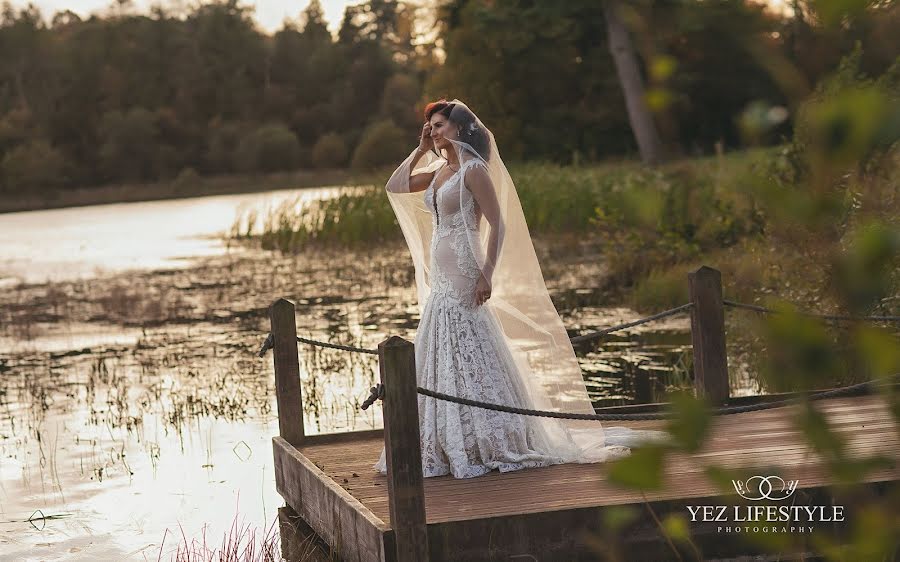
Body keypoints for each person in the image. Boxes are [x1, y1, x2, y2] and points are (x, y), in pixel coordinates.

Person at [374, 99, 667, 479]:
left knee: (471, 342)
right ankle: (454, 436)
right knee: (443, 345)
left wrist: (488, 275)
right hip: (442, 278)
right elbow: (394, 186)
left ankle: (495, 436)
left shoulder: (474, 171)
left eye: (441, 124)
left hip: (466, 269)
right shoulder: (439, 172)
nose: (434, 131)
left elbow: (498, 224)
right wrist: (420, 150)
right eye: (430, 125)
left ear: (460, 128)